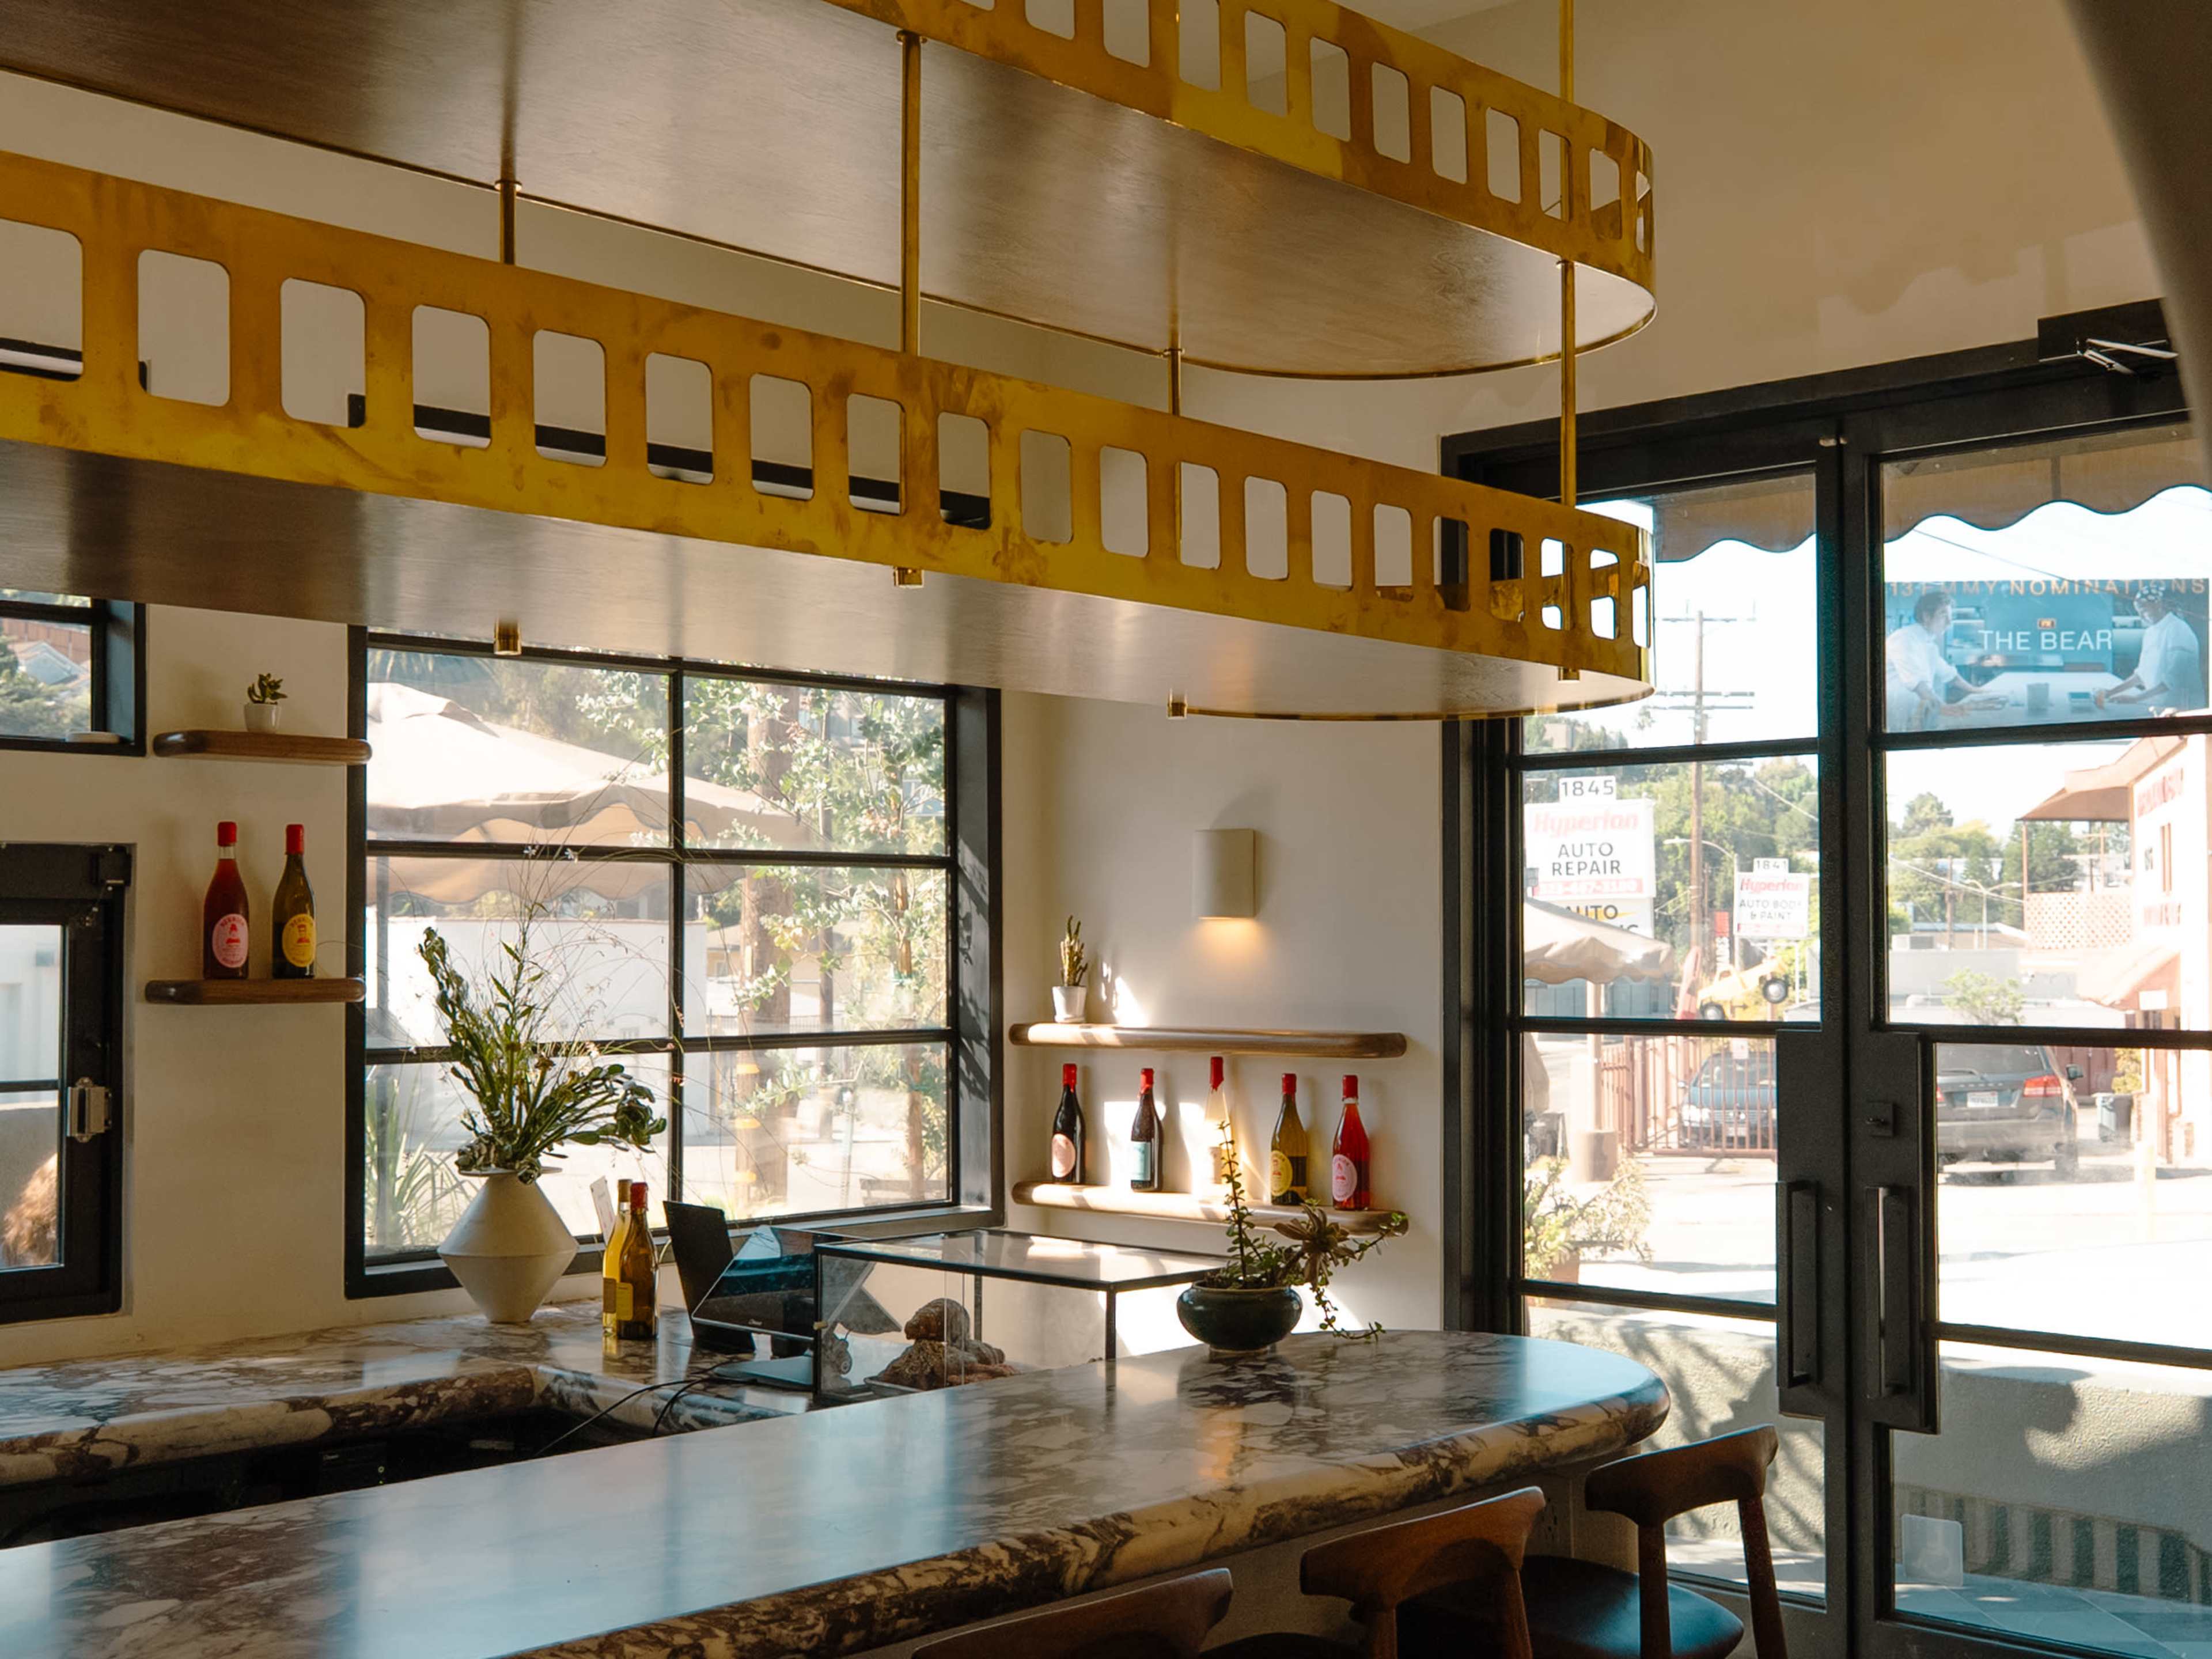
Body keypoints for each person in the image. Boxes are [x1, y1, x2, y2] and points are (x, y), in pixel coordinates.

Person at [2098, 584, 2205, 713]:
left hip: (2181, 708)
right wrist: (2110, 692)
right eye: (2139, 613)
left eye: (2144, 610)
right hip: (2157, 705)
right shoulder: (2150, 633)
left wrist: (2136, 699)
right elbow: (2141, 674)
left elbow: (2174, 679)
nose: (2142, 617)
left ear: (2158, 604)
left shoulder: (2178, 629)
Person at [1885, 589, 1973, 731]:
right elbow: (1917, 683)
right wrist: (1942, 707)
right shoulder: (1905, 638)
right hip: (1896, 712)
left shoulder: (1928, 643)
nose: (1949, 623)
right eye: (1944, 615)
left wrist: (1977, 691)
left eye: (1950, 616)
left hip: (1914, 712)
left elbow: (1950, 675)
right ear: (1927, 617)